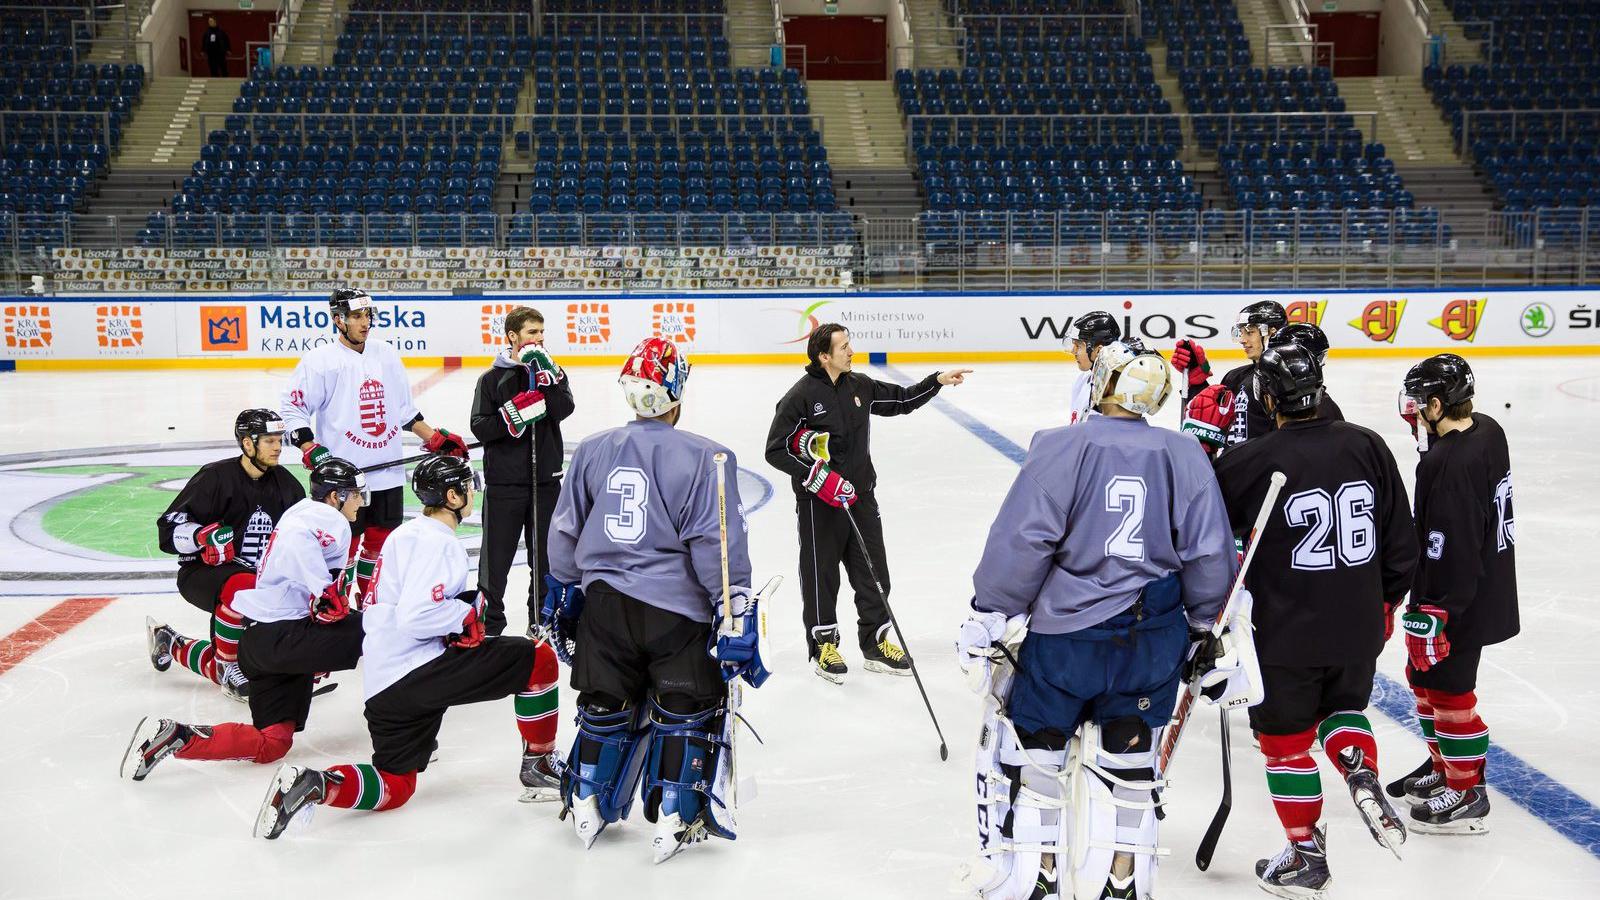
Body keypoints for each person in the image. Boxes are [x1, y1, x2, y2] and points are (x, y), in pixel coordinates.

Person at [956, 341, 1237, 900]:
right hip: (1152, 642)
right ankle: (1124, 882)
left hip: (1067, 642)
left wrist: (992, 610)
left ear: (1103, 383)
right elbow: (1210, 552)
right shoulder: (1184, 454)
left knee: (1037, 760)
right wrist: (1207, 626)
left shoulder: (1062, 446)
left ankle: (1040, 879)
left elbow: (1024, 540)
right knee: (1134, 768)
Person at [252, 454, 563, 841]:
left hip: (384, 689)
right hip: (418, 673)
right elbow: (416, 616)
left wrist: (457, 614)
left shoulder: (405, 534)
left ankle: (317, 784)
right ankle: (540, 763)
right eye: (467, 487)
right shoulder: (439, 542)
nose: (472, 494)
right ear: (452, 496)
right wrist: (463, 618)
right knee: (539, 658)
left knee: (395, 784)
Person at [543, 336, 769, 862]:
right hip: (675, 612)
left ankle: (588, 794)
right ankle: (675, 806)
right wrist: (733, 609)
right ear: (675, 394)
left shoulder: (594, 448)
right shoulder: (707, 456)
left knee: (605, 701)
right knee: (686, 706)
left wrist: (565, 589)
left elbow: (563, 533)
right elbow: (718, 546)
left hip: (603, 606)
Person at [1211, 345, 1419, 896]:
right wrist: (1382, 605)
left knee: (1285, 744)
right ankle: (1360, 768)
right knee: (1342, 710)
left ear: (1267, 397)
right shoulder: (1368, 444)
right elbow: (1403, 544)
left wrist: (1201, 446)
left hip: (1283, 633)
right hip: (1358, 627)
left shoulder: (1251, 461)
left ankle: (1306, 854)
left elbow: (1199, 530)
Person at [123, 459, 369, 781]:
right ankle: (410, 719)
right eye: (356, 495)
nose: (361, 502)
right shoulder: (325, 517)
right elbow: (300, 541)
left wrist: (320, 622)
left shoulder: (302, 510)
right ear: (336, 497)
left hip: (262, 643)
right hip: (286, 635)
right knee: (377, 628)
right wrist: (324, 592)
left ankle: (177, 736)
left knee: (272, 742)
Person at [763, 322, 971, 682]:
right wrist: (817, 477)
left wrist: (936, 381)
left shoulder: (860, 385)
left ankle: (875, 644)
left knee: (874, 572)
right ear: (824, 355)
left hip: (861, 498)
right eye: (843, 347)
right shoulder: (799, 396)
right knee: (821, 576)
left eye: (849, 344)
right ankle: (823, 646)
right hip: (820, 505)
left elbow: (902, 400)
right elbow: (775, 449)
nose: (851, 351)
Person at [1390, 353, 1517, 834]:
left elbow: (1453, 543)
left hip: (1458, 597)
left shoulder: (1449, 462)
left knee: (1449, 691)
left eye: (1420, 403)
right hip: (1483, 584)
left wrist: (1435, 611)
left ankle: (1467, 791)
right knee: (1422, 678)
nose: (1413, 411)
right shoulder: (1486, 429)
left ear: (1439, 404)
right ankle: (1443, 763)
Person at [281, 288, 468, 607]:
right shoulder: (320, 362)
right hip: (346, 477)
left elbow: (403, 410)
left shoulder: (386, 354)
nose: (365, 322)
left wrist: (433, 438)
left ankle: (370, 600)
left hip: (388, 470)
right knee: (346, 545)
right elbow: (292, 408)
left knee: (381, 543)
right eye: (356, 316)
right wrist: (309, 446)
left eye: (367, 315)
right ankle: (336, 601)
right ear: (338, 320)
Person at [152, 408, 305, 701]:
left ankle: (171, 644)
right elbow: (167, 532)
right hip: (204, 574)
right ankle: (229, 664)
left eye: (279, 439)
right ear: (248, 444)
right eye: (269, 440)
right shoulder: (215, 478)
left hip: (261, 579)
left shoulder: (287, 485)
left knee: (260, 658)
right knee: (241, 586)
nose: (277, 447)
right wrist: (200, 536)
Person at [469, 305, 576, 636]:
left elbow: (564, 409)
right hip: (504, 486)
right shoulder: (491, 379)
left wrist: (550, 383)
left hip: (545, 483)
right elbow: (480, 426)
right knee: (495, 561)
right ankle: (489, 625)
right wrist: (510, 415)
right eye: (532, 332)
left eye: (542, 332)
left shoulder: (552, 372)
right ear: (513, 336)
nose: (539, 339)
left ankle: (542, 621)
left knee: (545, 560)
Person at [1062, 310, 1123, 425]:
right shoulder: (1083, 379)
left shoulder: (1116, 394)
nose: (1073, 351)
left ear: (1099, 351)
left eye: (1079, 346)